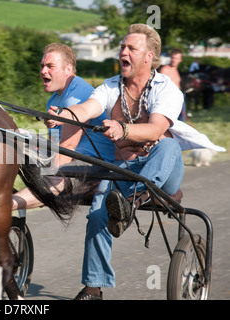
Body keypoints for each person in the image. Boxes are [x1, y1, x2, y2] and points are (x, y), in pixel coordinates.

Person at [47, 24, 224, 300]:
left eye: (131, 48)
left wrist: (123, 129)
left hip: (163, 173)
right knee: (97, 214)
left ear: (149, 56)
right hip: (124, 172)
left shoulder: (166, 89)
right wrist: (67, 115)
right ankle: (93, 288)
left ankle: (130, 203)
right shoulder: (109, 87)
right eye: (122, 47)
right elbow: (88, 108)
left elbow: (155, 130)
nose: (123, 52)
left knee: (166, 144)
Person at [12, 43, 115, 210]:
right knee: (15, 137)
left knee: (53, 179)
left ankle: (1, 205)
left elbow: (67, 149)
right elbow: (56, 145)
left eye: (50, 66)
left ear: (68, 69)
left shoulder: (77, 96)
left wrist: (42, 179)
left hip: (96, 166)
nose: (43, 71)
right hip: (72, 157)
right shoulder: (53, 100)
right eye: (42, 66)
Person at [159, 49, 187, 120]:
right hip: (169, 98)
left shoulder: (176, 71)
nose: (174, 60)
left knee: (181, 119)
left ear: (180, 60)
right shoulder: (165, 70)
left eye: (176, 58)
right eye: (172, 58)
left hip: (179, 97)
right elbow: (161, 86)